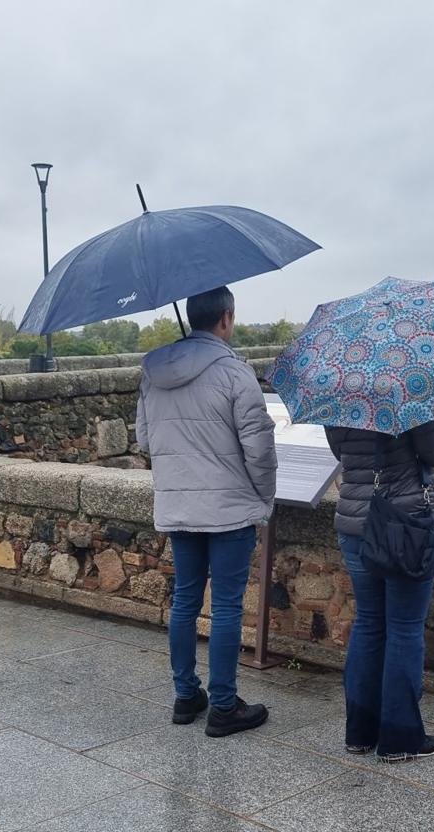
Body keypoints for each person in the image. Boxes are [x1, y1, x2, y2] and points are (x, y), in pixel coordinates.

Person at [136, 286, 277, 737]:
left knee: (184, 601)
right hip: (229, 509)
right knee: (228, 607)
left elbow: (144, 439)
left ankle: (184, 696)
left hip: (179, 506)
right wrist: (265, 497)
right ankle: (223, 706)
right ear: (226, 319)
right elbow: (259, 448)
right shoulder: (236, 373)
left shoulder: (152, 370)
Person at [326, 418, 434, 762]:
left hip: (355, 523)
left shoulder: (341, 388)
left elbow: (341, 451)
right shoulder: (414, 390)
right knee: (404, 627)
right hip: (406, 522)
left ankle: (360, 732)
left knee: (369, 623)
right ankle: (401, 737)